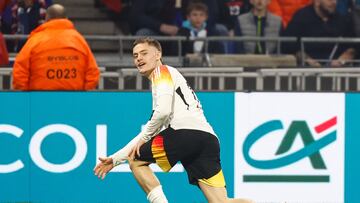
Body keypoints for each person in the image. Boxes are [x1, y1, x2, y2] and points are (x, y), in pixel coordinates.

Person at [93, 37, 253, 203]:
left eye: (144, 53)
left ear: (158, 55)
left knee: (136, 161)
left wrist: (142, 140)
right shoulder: (167, 80)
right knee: (222, 202)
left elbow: (161, 113)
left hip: (185, 134)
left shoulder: (162, 72)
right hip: (208, 139)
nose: (139, 58)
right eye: (135, 56)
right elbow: (150, 129)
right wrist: (115, 159)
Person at [12, 4, 99, 90]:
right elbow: (92, 73)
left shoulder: (34, 41)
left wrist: (27, 98)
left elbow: (20, 72)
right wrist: (83, 96)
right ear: (67, 19)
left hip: (40, 100)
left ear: (46, 19)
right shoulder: (79, 41)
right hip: (74, 101)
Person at [282, 0, 355, 67]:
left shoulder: (342, 20)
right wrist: (308, 60)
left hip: (337, 71)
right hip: (306, 70)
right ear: (317, 2)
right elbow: (289, 46)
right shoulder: (301, 17)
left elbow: (352, 47)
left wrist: (341, 61)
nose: (334, 2)